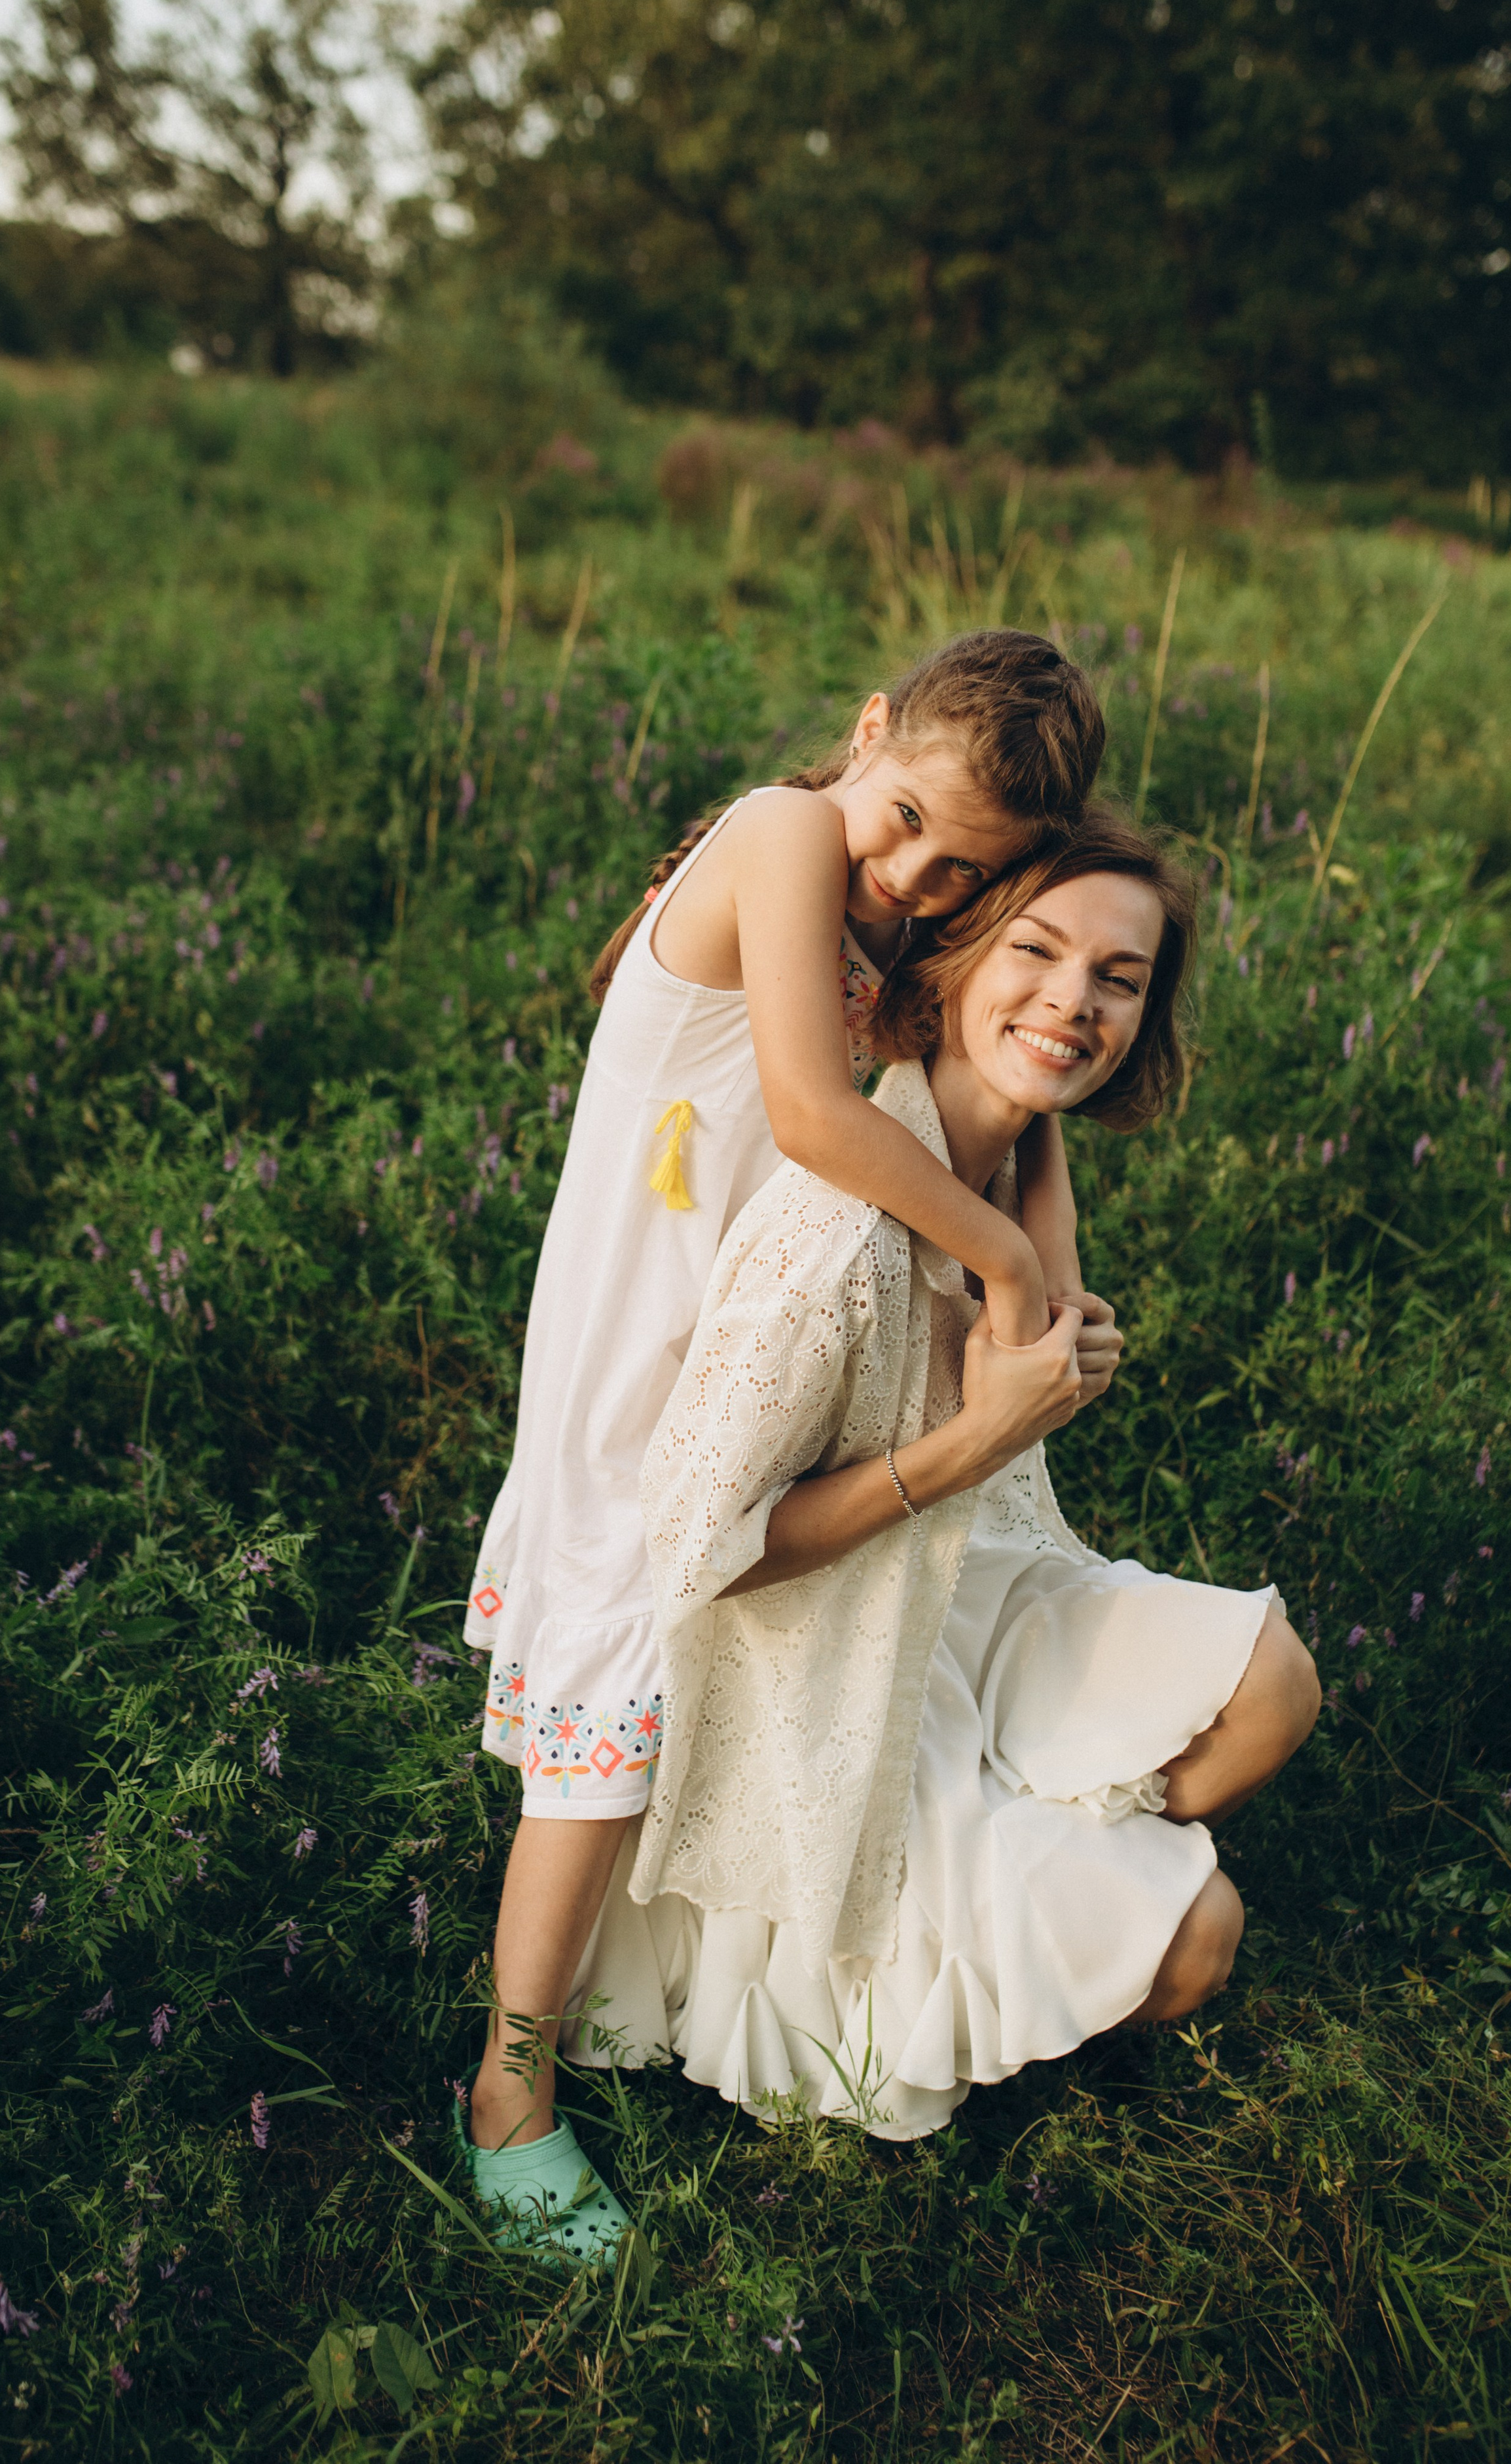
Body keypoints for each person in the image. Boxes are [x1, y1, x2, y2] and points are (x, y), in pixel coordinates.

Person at [460, 632, 1108, 2255]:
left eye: (960, 867)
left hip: (745, 1355)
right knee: (601, 1732)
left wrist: (1053, 1263)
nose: (908, 874)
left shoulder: (894, 903)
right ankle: (505, 2097)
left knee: (694, 1677)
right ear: (863, 725)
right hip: (642, 1346)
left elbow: (994, 1102)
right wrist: (1008, 1266)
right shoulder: (777, 827)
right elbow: (820, 1118)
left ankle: (666, 1993)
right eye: (900, 822)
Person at [548, 808, 1320, 2156]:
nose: (1073, 1001)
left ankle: (1040, 1833)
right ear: (951, 960)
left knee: (1271, 1688)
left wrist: (1040, 1213)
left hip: (958, 1582)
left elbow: (1034, 1180)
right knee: (1197, 1944)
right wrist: (967, 1444)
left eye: (1118, 980)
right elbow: (701, 1549)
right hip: (808, 1654)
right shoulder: (834, 1236)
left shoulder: (1003, 1150)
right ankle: (990, 1884)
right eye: (1035, 951)